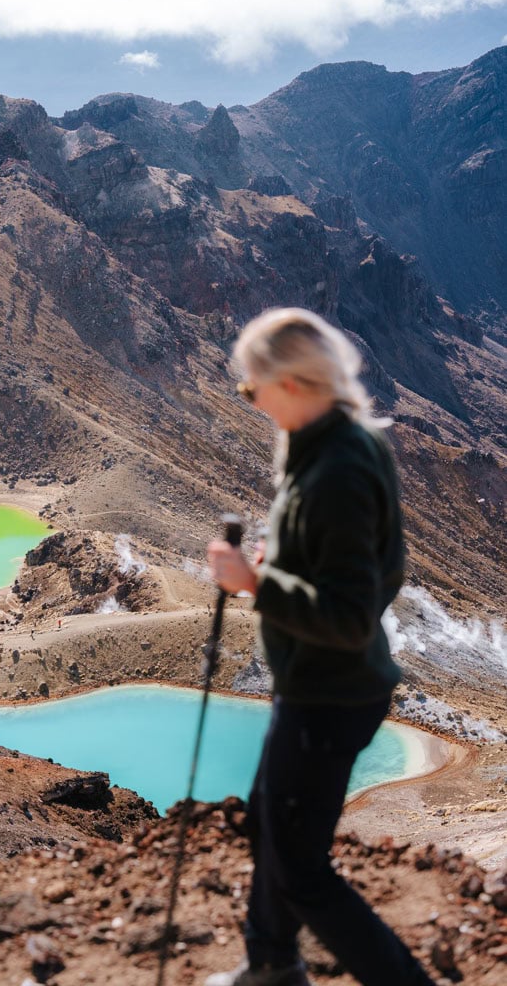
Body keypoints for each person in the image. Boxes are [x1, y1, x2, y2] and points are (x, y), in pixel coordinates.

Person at [206, 308, 436, 986]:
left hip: (326, 694)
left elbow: (346, 614)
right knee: (270, 830)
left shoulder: (334, 468)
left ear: (295, 383)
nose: (250, 401)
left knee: (301, 867)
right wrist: (281, 562)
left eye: (252, 388)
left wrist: (254, 582)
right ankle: (270, 963)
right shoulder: (335, 442)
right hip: (317, 685)